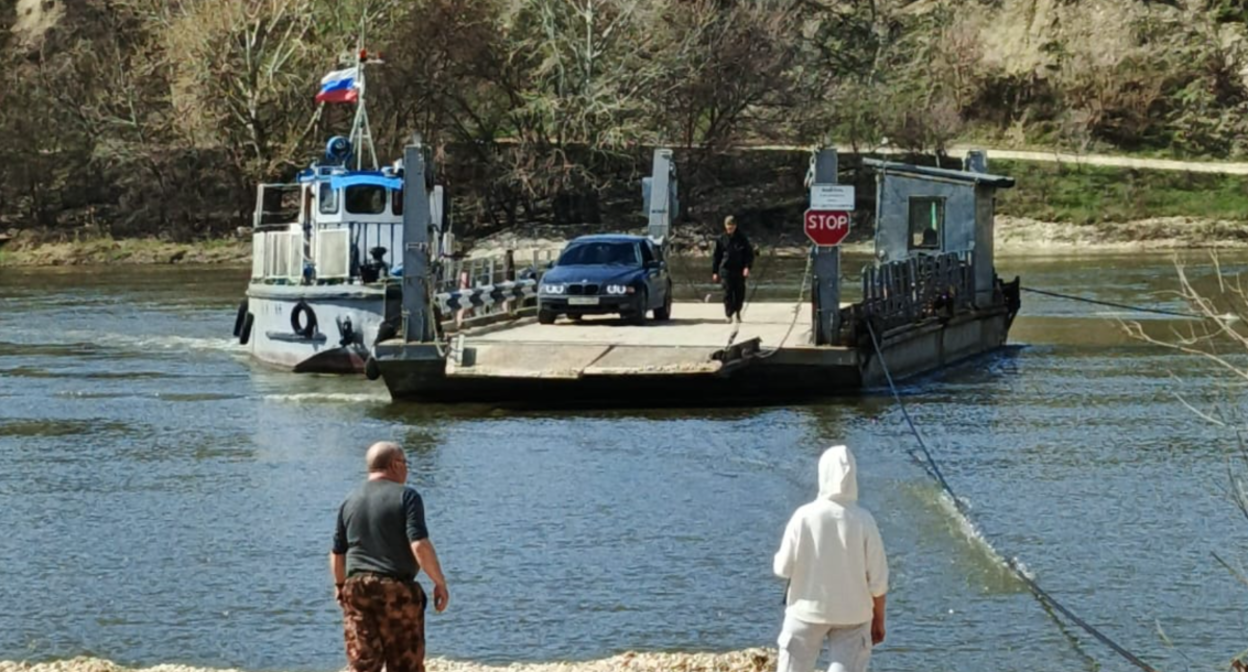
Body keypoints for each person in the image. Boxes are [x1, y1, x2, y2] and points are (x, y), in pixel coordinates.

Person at [330, 441, 450, 672]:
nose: (406, 469)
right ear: (395, 465)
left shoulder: (349, 500)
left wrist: (339, 585)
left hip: (357, 589)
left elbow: (338, 552)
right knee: (406, 663)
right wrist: (439, 582)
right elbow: (419, 544)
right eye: (405, 463)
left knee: (363, 663)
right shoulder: (407, 497)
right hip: (395, 590)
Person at [773, 445, 888, 672]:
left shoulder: (803, 517)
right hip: (854, 615)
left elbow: (782, 568)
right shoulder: (865, 520)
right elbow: (879, 581)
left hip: (805, 613)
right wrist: (879, 620)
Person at [711, 215, 754, 323]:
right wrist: (715, 272)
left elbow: (749, 254)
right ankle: (729, 314)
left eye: (732, 226)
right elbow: (717, 256)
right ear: (725, 226)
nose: (730, 229)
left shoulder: (742, 239)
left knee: (739, 293)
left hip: (739, 270)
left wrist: (747, 267)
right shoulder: (721, 239)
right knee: (728, 293)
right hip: (726, 270)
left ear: (735, 226)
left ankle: (737, 312)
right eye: (728, 226)